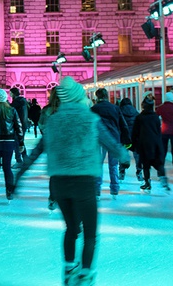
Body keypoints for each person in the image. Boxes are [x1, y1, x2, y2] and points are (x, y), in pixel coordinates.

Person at [44, 77, 129, 286]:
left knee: (71, 229)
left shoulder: (53, 120)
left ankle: (68, 269)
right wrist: (124, 155)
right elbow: (110, 142)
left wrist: (19, 174)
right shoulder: (90, 119)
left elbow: (40, 148)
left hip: (60, 183)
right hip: (83, 182)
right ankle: (85, 273)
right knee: (90, 234)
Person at [91, 88, 130, 199]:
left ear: (97, 97)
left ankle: (97, 190)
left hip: (99, 140)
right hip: (114, 139)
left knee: (98, 164)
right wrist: (126, 140)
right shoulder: (115, 108)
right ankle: (114, 189)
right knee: (113, 165)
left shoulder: (94, 109)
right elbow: (123, 125)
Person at [132, 97, 169, 193]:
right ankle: (163, 178)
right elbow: (158, 129)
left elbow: (135, 132)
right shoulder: (155, 116)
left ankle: (147, 183)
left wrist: (133, 145)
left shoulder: (140, 117)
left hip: (144, 143)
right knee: (158, 162)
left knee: (146, 164)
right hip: (156, 143)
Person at [118, 98, 142, 182]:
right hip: (135, 137)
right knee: (137, 155)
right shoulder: (135, 112)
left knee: (123, 154)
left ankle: (122, 172)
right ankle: (139, 172)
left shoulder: (120, 111)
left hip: (124, 137)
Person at [10, 87, 28, 164]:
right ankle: (25, 157)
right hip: (23, 124)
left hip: (18, 125)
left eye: (10, 92)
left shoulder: (16, 103)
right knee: (20, 141)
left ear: (13, 93)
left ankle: (19, 160)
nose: (9, 94)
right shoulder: (23, 101)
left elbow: (11, 113)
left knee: (17, 142)